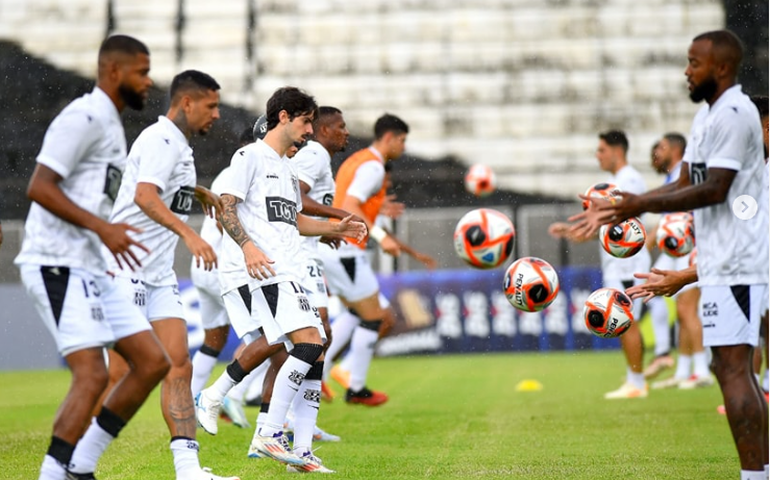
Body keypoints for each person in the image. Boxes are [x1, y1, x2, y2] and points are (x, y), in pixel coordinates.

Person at [571, 30, 769, 480]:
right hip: (721, 259)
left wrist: (637, 205)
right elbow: (683, 182)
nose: (686, 71)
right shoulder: (707, 118)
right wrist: (623, 203)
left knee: (736, 369)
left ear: (721, 67)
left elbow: (714, 188)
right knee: (729, 367)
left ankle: (756, 475)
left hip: (739, 261)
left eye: (694, 63)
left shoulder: (736, 115)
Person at [13, 35, 171, 480]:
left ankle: (80, 466)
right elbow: (39, 187)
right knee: (91, 375)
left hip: (90, 265)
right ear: (114, 71)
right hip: (56, 261)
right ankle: (52, 473)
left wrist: (102, 238)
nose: (148, 80)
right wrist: (104, 229)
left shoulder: (111, 124)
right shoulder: (83, 117)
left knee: (153, 361)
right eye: (142, 71)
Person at [73, 70, 238, 480]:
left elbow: (161, 187)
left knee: (178, 365)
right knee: (119, 374)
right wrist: (189, 235)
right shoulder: (161, 139)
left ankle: (188, 470)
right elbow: (145, 196)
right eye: (211, 105)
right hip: (125, 267)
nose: (216, 114)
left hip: (158, 275)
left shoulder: (176, 145)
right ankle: (71, 458)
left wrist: (197, 191)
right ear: (187, 103)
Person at [203, 87, 364, 472]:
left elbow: (294, 220)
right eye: (307, 121)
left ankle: (300, 451)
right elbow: (225, 208)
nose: (311, 130)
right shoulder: (249, 156)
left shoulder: (287, 170)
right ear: (284, 117)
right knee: (306, 345)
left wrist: (336, 228)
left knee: (316, 350)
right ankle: (268, 432)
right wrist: (247, 248)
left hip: (291, 269)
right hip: (267, 270)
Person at [549, 130, 652, 399]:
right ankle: (635, 379)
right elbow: (610, 229)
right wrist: (574, 231)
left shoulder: (630, 180)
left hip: (628, 265)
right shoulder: (612, 182)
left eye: (601, 150)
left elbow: (630, 223)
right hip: (616, 266)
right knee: (623, 322)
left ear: (617, 151)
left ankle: (636, 383)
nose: (598, 155)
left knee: (626, 321)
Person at [318, 113, 409, 406]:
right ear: (389, 138)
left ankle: (326, 372)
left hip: (336, 248)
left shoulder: (357, 160)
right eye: (403, 140)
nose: (404, 147)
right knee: (377, 317)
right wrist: (383, 238)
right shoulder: (373, 167)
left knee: (359, 313)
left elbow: (345, 197)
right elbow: (349, 204)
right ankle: (354, 386)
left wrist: (378, 208)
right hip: (345, 250)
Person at [646, 134, 712, 390]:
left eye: (661, 147)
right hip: (677, 248)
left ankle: (702, 370)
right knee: (683, 311)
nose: (656, 152)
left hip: (689, 246)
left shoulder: (685, 172)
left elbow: (686, 213)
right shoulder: (672, 177)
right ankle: (685, 370)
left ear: (675, 149)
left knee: (687, 309)